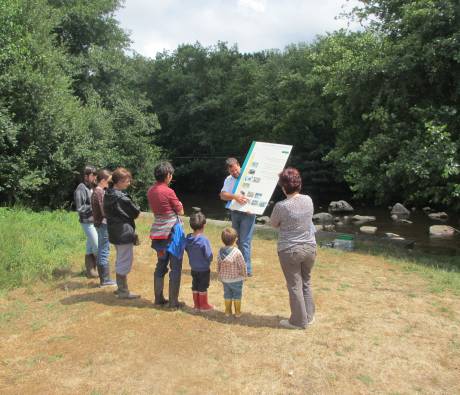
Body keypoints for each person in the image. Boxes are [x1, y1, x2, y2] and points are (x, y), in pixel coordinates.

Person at [270, 167, 316, 329]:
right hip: (310, 248)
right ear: (299, 183)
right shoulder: (308, 200)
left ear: (283, 187)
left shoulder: (281, 206)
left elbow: (273, 224)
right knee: (306, 282)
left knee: (295, 285)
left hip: (290, 250)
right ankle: (309, 317)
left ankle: (298, 321)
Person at [147, 161, 186, 309]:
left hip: (158, 234)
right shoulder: (169, 191)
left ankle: (158, 298)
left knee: (161, 265)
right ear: (168, 175)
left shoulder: (150, 190)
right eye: (171, 175)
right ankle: (173, 302)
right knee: (175, 267)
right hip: (172, 233)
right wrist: (180, 205)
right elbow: (180, 211)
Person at [104, 167, 141, 299]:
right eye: (126, 181)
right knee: (124, 260)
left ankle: (120, 288)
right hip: (123, 233)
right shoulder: (121, 197)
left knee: (121, 258)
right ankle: (123, 291)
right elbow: (135, 212)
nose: (129, 183)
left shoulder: (108, 193)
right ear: (118, 181)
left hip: (114, 232)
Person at [219, 157, 256, 276]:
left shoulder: (250, 175)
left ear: (239, 165)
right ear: (228, 171)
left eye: (236, 170)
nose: (235, 173)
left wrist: (255, 207)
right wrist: (234, 196)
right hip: (235, 213)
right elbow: (222, 195)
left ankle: (247, 270)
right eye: (232, 171)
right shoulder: (228, 179)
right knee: (237, 240)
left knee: (245, 241)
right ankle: (240, 266)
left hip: (248, 213)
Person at [91, 169, 116, 287]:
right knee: (104, 250)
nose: (110, 183)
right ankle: (105, 280)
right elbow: (103, 211)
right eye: (109, 181)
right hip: (103, 224)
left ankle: (104, 279)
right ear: (102, 181)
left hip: (100, 223)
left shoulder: (97, 191)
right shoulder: (99, 192)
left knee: (102, 249)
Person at [185, 211, 214, 311]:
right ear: (204, 225)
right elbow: (209, 255)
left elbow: (186, 249)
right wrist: (210, 259)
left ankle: (196, 305)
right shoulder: (203, 240)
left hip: (193, 268)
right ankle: (204, 305)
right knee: (203, 286)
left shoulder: (188, 238)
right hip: (204, 269)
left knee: (195, 285)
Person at [74, 165, 98, 278]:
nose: (95, 177)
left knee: (90, 247)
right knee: (97, 246)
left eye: (95, 175)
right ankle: (103, 272)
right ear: (86, 176)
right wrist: (94, 207)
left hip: (94, 221)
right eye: (93, 175)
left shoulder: (93, 187)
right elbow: (80, 208)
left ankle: (90, 272)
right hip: (87, 222)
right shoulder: (81, 188)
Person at [217, 227, 247, 317]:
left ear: (223, 240)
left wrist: (219, 274)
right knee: (237, 295)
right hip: (236, 279)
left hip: (225, 279)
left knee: (227, 294)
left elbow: (218, 264)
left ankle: (227, 311)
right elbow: (242, 265)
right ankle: (237, 312)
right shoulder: (237, 252)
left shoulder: (220, 251)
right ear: (235, 240)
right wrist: (244, 275)